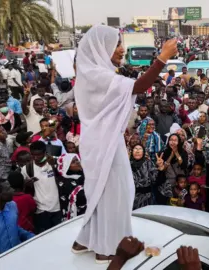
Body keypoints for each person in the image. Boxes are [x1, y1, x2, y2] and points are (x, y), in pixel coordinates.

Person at [71, 25, 177, 262]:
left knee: (103, 192)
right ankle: (107, 249)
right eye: (117, 44)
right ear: (101, 47)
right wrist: (163, 57)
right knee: (114, 193)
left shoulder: (91, 72)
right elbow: (138, 87)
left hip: (100, 141)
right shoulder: (98, 75)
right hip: (104, 143)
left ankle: (86, 239)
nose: (122, 49)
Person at [21, 141, 61, 234]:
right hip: (40, 210)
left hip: (57, 208)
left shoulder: (54, 163)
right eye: (33, 155)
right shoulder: (27, 169)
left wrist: (54, 166)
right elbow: (21, 188)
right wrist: (26, 184)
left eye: (39, 155)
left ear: (44, 153)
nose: (36, 157)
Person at [0, 181, 34, 255]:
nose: (12, 190)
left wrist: (31, 236)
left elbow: (14, 227)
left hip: (18, 254)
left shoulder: (13, 205)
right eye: (8, 189)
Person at [55, 153, 87, 220]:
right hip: (75, 218)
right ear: (67, 166)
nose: (77, 162)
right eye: (73, 162)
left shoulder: (82, 175)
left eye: (77, 160)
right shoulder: (64, 182)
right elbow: (82, 198)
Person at [129, 144, 159, 209]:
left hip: (146, 199)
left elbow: (155, 180)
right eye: (135, 149)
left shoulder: (149, 163)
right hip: (130, 197)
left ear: (144, 152)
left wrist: (161, 170)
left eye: (140, 149)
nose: (137, 151)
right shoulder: (127, 164)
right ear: (132, 151)